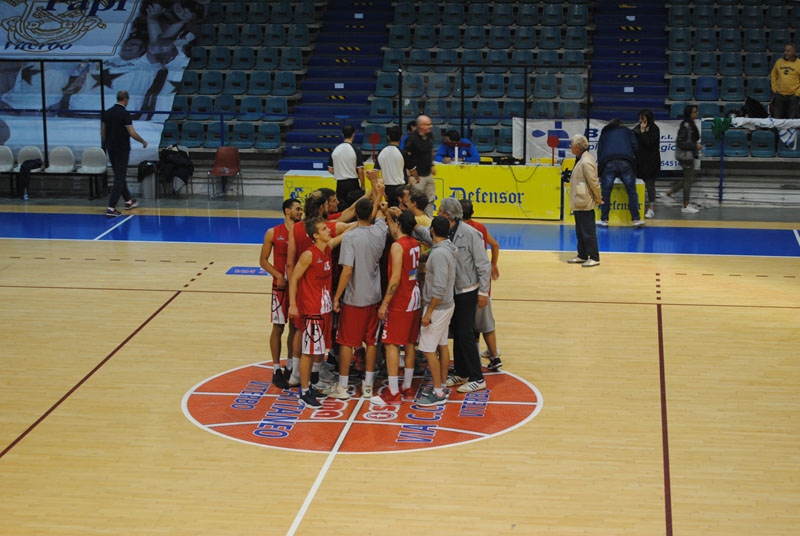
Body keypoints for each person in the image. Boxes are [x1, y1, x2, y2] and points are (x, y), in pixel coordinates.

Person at [415, 197, 491, 393]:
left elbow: (483, 264)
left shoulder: (471, 234)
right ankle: (461, 371)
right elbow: (426, 234)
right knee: (457, 332)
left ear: (447, 215)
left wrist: (483, 292)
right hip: (452, 292)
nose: (437, 212)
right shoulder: (444, 232)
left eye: (439, 210)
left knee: (466, 334)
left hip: (467, 291)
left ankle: (477, 377)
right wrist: (410, 221)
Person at [329, 193, 387, 400]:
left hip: (354, 298)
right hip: (374, 296)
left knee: (346, 342)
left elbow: (346, 270)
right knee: (371, 342)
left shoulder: (351, 237)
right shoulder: (380, 231)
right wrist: (379, 191)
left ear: (357, 216)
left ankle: (343, 386)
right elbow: (380, 214)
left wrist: (336, 297)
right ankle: (369, 385)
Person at [288, 217, 348, 408]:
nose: (329, 231)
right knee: (308, 352)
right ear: (315, 235)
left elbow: (346, 233)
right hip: (312, 311)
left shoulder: (327, 248)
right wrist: (292, 305)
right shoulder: (308, 254)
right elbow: (294, 278)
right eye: (324, 229)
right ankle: (304, 392)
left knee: (317, 352)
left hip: (324, 310)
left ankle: (310, 386)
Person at [372, 210, 422, 405]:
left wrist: (385, 303)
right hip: (414, 297)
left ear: (400, 225)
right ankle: (407, 388)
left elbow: (394, 279)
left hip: (401, 299)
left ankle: (393, 392)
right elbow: (396, 231)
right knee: (409, 343)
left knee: (391, 343)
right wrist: (389, 215)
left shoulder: (396, 247)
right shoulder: (415, 243)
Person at [259, 198, 303, 390]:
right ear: (287, 211)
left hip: (297, 287)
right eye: (297, 209)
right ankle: (276, 369)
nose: (300, 212)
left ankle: (291, 366)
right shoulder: (273, 232)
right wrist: (278, 275)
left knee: (295, 327)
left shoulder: (302, 230)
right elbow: (263, 260)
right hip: (280, 288)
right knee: (278, 327)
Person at [416, 216, 458, 407]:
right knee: (442, 344)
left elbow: (439, 288)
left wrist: (428, 312)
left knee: (427, 348)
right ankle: (441, 384)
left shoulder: (439, 254)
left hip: (438, 307)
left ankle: (438, 392)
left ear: (432, 230)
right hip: (447, 305)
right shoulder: (448, 246)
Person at [460, 199, 502, 371]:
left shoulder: (462, 231)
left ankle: (477, 358)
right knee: (485, 323)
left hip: (472, 283)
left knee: (474, 323)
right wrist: (493, 264)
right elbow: (495, 244)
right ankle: (494, 356)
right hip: (484, 283)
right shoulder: (480, 227)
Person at [102, 90, 147, 218]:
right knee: (119, 177)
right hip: (122, 149)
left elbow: (103, 133)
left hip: (111, 148)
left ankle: (128, 201)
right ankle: (111, 207)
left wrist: (107, 145)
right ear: (126, 99)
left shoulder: (107, 113)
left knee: (119, 175)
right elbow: (132, 133)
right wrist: (142, 141)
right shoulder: (124, 114)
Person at [596, 118, 644, 228]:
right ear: (621, 124)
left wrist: (600, 171)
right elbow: (636, 147)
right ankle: (636, 220)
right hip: (625, 162)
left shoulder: (605, 131)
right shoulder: (627, 131)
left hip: (608, 163)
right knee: (631, 191)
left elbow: (600, 150)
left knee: (606, 192)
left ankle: (604, 220)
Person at [567, 134, 603, 268]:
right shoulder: (580, 158)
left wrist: (598, 198)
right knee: (580, 231)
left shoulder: (586, 161)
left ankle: (594, 257)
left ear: (577, 147)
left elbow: (594, 182)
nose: (570, 146)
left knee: (588, 231)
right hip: (579, 201)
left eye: (572, 144)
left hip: (585, 201)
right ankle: (582, 255)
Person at [666, 105, 702, 214]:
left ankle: (669, 194)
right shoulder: (686, 126)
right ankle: (685, 206)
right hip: (686, 156)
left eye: (696, 112)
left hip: (689, 155)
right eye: (694, 112)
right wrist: (694, 146)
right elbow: (680, 143)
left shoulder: (690, 124)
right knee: (688, 180)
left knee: (688, 178)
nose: (696, 114)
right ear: (688, 114)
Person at [404, 115, 436, 218]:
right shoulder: (411, 138)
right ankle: (416, 221)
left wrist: (432, 164)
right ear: (421, 126)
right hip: (417, 177)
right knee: (415, 201)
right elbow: (406, 157)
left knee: (430, 199)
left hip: (428, 175)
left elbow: (431, 150)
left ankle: (429, 220)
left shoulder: (430, 135)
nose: (430, 126)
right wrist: (410, 175)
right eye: (428, 124)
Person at [375, 125, 415, 207]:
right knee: (400, 213)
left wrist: (381, 191)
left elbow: (375, 172)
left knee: (388, 212)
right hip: (400, 188)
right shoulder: (403, 153)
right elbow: (412, 169)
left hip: (386, 188)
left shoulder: (381, 152)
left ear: (388, 137)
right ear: (401, 137)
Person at [633, 109, 661, 219]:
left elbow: (649, 143)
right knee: (636, 186)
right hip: (639, 162)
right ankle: (637, 206)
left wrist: (643, 132)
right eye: (640, 118)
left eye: (643, 119)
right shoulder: (636, 128)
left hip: (651, 162)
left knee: (650, 186)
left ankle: (651, 208)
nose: (640, 121)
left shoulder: (655, 129)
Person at [328, 125, 365, 207]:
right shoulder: (356, 150)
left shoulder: (335, 150)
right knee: (353, 208)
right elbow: (360, 171)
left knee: (342, 208)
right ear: (353, 135)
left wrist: (340, 172)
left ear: (342, 135)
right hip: (352, 184)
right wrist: (363, 186)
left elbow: (330, 169)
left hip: (340, 184)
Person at [770, 43, 800, 119]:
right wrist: (774, 89)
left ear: (793, 52)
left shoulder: (799, 63)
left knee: (791, 119)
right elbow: (773, 76)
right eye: (785, 51)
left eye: (788, 51)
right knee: (777, 119)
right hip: (779, 95)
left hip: (793, 96)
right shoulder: (779, 62)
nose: (785, 52)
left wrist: (797, 93)